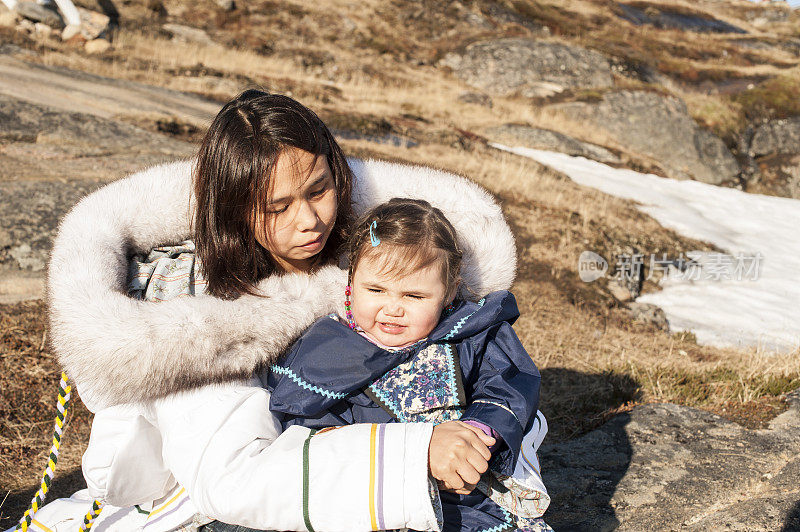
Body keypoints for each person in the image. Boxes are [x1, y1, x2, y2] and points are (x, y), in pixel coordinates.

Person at [28, 89, 539, 530]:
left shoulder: (367, 253)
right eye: (278, 207)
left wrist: (478, 431)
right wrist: (415, 451)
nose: (311, 220)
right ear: (233, 208)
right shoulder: (195, 310)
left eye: (320, 190)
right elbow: (230, 478)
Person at [267, 198, 550, 531]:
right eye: (375, 289)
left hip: (468, 498)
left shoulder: (469, 335)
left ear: (448, 292)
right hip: (374, 500)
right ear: (351, 282)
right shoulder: (325, 350)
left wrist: (480, 433)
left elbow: (507, 384)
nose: (392, 308)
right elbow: (309, 434)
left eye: (414, 296)